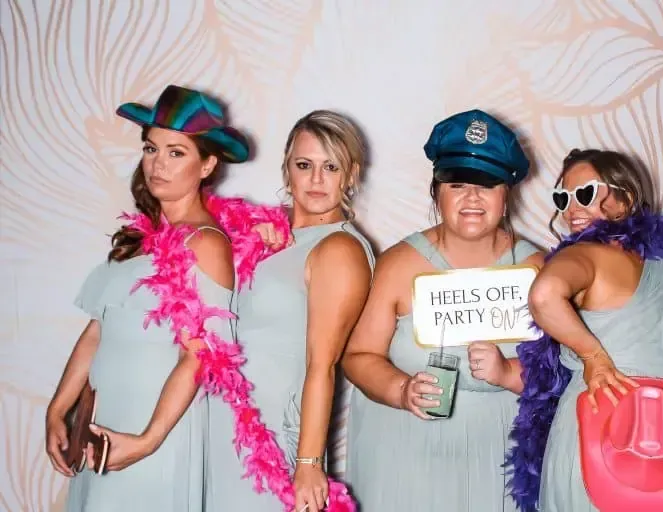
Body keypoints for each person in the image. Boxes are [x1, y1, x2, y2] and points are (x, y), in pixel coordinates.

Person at [44, 85, 283, 511]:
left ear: (207, 164)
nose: (158, 165)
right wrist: (57, 409)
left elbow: (200, 354)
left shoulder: (207, 243)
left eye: (177, 153)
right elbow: (99, 330)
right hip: (102, 417)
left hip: (153, 424)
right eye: (152, 149)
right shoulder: (139, 238)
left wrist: (147, 441)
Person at [341, 109, 544, 511]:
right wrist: (400, 390)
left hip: (499, 470)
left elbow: (564, 374)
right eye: (457, 184)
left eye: (487, 185)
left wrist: (507, 373)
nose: (472, 197)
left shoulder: (540, 271)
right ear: (437, 192)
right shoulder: (399, 264)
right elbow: (358, 357)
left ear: (507, 195)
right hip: (405, 466)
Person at [517, 148, 663, 511]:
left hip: (606, 438)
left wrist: (594, 358)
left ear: (624, 200)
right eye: (563, 198)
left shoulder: (585, 254)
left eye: (585, 193)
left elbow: (543, 296)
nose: (571, 208)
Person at [205, 110, 374, 512]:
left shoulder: (338, 249)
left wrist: (309, 464)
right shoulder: (265, 236)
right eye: (304, 165)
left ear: (350, 174)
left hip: (275, 440)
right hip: (220, 426)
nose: (316, 180)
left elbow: (322, 365)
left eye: (330, 167)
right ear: (287, 169)